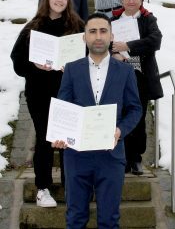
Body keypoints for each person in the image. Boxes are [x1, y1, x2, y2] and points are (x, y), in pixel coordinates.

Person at [52, 13, 142, 228]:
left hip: (111, 156)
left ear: (112, 36)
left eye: (103, 31)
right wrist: (60, 135)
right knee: (75, 218)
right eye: (92, 31)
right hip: (76, 157)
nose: (98, 36)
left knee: (109, 220)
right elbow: (63, 108)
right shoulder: (72, 69)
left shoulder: (126, 71)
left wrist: (121, 130)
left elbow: (135, 109)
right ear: (84, 37)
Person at [10, 0, 84, 208]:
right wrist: (35, 65)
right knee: (44, 137)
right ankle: (43, 189)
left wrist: (71, 67)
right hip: (39, 92)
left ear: (68, 1)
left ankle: (71, 186)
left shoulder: (77, 26)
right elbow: (17, 62)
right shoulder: (33, 27)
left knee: (67, 139)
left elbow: (88, 59)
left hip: (67, 92)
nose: (60, 0)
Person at [111, 0, 163, 175]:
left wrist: (128, 46)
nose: (131, 1)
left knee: (138, 117)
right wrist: (114, 51)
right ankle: (121, 157)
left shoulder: (148, 19)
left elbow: (154, 41)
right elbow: (103, 43)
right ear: (122, 0)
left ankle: (136, 158)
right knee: (120, 115)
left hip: (140, 76)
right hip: (118, 75)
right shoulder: (112, 20)